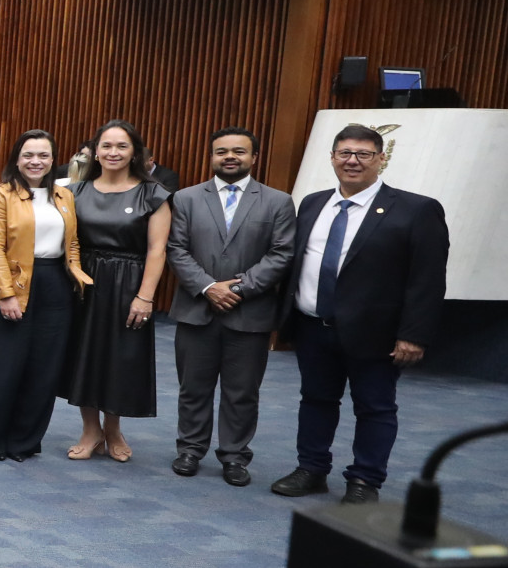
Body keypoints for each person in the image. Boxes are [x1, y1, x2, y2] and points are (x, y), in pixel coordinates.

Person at [270, 124, 448, 505]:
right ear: (332, 157)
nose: (352, 161)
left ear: (381, 160)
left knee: (375, 407)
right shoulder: (313, 203)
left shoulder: (417, 210)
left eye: (364, 154)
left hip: (377, 335)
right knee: (315, 400)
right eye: (344, 153)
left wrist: (413, 334)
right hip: (312, 326)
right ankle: (311, 469)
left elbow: (428, 280)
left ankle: (365, 481)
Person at [165, 128, 297, 486]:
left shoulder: (277, 201)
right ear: (211, 157)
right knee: (193, 387)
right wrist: (208, 287)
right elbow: (176, 249)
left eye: (238, 151)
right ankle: (190, 449)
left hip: (249, 312)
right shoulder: (186, 199)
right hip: (197, 308)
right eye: (221, 151)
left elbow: (282, 253)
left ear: (254, 157)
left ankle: (235, 457)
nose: (229, 157)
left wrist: (237, 288)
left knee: (241, 391)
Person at [0, 131, 90, 461]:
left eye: (43, 155)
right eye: (28, 155)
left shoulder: (64, 196)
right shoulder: (1, 195)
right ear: (16, 159)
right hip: (13, 285)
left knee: (44, 367)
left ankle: (24, 441)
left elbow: (73, 243)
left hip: (56, 285)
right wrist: (7, 294)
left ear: (53, 160)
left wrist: (78, 276)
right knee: (3, 367)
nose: (35, 161)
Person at [61, 120, 172, 462]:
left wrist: (145, 296)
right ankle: (90, 430)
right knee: (84, 355)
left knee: (120, 357)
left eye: (121, 146)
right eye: (106, 146)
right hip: (83, 282)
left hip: (129, 283)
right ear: (95, 151)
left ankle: (113, 429)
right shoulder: (75, 192)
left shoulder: (152, 193)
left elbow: (157, 250)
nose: (113, 152)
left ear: (135, 152)